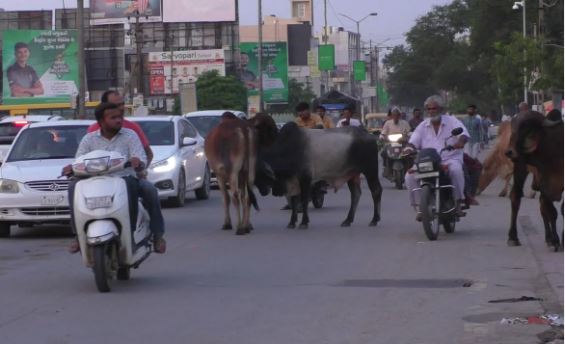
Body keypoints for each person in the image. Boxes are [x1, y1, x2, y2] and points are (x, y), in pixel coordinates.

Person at [65, 102, 167, 254]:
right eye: (113, 118)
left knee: (150, 190)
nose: (118, 120)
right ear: (101, 121)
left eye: (120, 117)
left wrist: (138, 163)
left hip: (125, 179)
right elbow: (79, 161)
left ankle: (156, 234)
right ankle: (77, 235)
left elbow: (141, 158)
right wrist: (71, 168)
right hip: (94, 182)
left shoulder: (130, 135)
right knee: (73, 186)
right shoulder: (89, 139)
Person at [404, 95, 470, 220]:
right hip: (428, 160)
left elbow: (464, 135)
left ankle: (458, 202)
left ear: (441, 109)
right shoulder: (422, 126)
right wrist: (409, 148)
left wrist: (460, 142)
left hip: (449, 158)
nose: (431, 111)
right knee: (409, 176)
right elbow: (413, 141)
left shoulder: (452, 121)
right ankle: (419, 207)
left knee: (456, 170)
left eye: (434, 108)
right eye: (428, 109)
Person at [381, 107, 411, 178]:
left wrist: (409, 135)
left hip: (403, 143)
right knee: (383, 152)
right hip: (390, 144)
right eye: (394, 115)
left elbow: (409, 132)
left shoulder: (404, 123)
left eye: (397, 115)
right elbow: (383, 132)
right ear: (391, 116)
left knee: (409, 154)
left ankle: (409, 170)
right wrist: (382, 136)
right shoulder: (387, 123)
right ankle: (386, 167)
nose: (395, 117)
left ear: (399, 115)